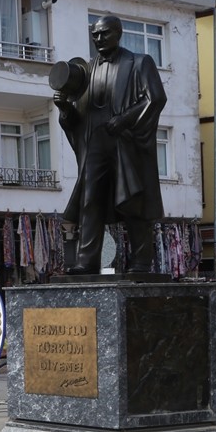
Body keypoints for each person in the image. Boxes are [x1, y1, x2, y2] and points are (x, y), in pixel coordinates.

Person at [54, 15, 167, 275]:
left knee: (134, 200)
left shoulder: (139, 63)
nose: (99, 38)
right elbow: (76, 118)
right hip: (94, 142)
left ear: (118, 33)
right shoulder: (86, 71)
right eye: (95, 34)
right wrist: (64, 108)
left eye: (104, 33)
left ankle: (141, 262)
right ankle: (86, 261)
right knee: (89, 200)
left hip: (126, 142)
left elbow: (155, 99)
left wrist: (125, 119)